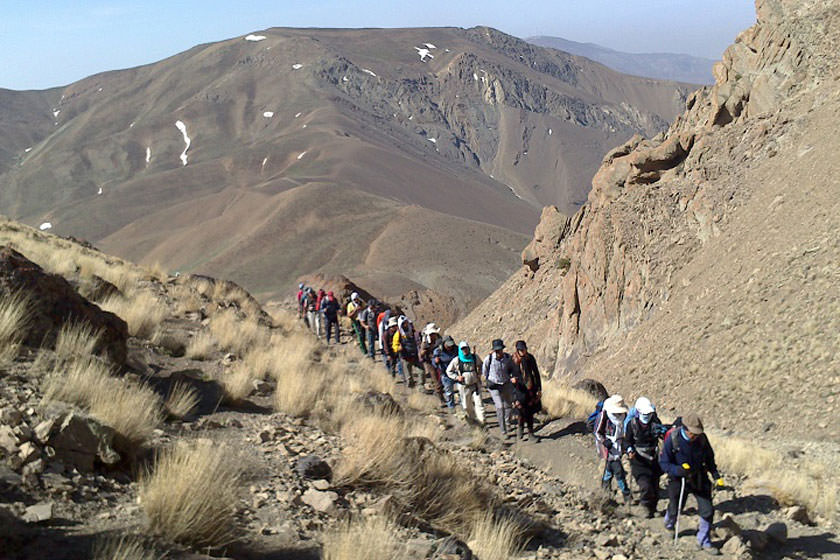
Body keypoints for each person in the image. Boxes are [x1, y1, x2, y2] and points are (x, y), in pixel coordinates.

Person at [659, 413, 724, 555]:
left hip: (699, 477)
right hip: (678, 479)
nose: (695, 436)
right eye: (693, 433)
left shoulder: (702, 439)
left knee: (707, 509)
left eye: (697, 433)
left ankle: (704, 540)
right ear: (685, 428)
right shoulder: (673, 439)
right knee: (676, 506)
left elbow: (709, 459)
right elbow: (664, 463)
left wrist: (715, 475)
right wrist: (677, 470)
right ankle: (669, 525)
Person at [625, 397, 666, 518]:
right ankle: (644, 506)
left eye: (648, 413)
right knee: (645, 485)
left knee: (654, 486)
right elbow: (627, 441)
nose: (646, 416)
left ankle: (653, 509)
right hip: (638, 460)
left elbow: (663, 436)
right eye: (644, 413)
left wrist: (663, 433)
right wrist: (629, 449)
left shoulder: (655, 422)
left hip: (654, 458)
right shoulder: (632, 425)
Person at [594, 394, 632, 504]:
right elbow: (597, 432)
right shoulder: (604, 415)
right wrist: (604, 441)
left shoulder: (623, 416)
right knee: (618, 470)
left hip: (618, 446)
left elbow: (622, 431)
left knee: (609, 469)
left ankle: (605, 490)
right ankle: (626, 494)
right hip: (606, 447)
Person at [481, 339, 517, 439]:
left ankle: (507, 422)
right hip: (494, 385)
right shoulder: (488, 359)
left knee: (508, 405)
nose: (498, 352)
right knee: (500, 407)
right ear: (493, 350)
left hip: (505, 383)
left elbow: (512, 369)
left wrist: (512, 377)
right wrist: (489, 379)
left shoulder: (508, 358)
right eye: (496, 350)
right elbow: (484, 371)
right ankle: (503, 430)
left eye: (500, 350)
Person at [446, 341, 485, 425]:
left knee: (479, 404)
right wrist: (457, 377)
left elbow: (481, 365)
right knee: (467, 406)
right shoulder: (456, 360)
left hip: (475, 385)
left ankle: (482, 421)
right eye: (462, 349)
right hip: (464, 386)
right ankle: (473, 419)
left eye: (466, 348)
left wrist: (479, 373)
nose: (465, 350)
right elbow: (449, 371)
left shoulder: (474, 357)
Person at [510, 340, 542, 442]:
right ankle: (520, 427)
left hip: (530, 388)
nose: (524, 352)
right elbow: (506, 373)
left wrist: (539, 388)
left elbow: (536, 373)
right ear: (518, 350)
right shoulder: (513, 360)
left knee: (530, 411)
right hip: (518, 389)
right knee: (521, 410)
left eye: (524, 349)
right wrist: (511, 380)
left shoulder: (530, 358)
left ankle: (530, 434)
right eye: (521, 350)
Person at [392, 316, 420, 388]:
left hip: (414, 354)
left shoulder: (412, 331)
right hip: (405, 356)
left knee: (421, 371)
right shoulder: (398, 334)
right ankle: (411, 391)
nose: (405, 325)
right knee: (409, 376)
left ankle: (420, 386)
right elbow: (394, 346)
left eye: (406, 323)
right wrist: (399, 348)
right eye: (403, 324)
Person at [419, 323, 443, 401]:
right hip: (429, 361)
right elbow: (421, 354)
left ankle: (438, 391)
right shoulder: (425, 342)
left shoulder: (439, 339)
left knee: (441, 377)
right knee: (435, 378)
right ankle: (441, 398)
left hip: (439, 360)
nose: (434, 335)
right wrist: (425, 352)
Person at [434, 336, 458, 409]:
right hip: (445, 374)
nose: (450, 347)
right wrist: (436, 362)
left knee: (461, 391)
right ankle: (451, 407)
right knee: (449, 392)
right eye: (448, 345)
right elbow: (434, 362)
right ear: (443, 344)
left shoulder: (456, 349)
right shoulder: (438, 351)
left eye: (451, 345)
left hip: (456, 373)